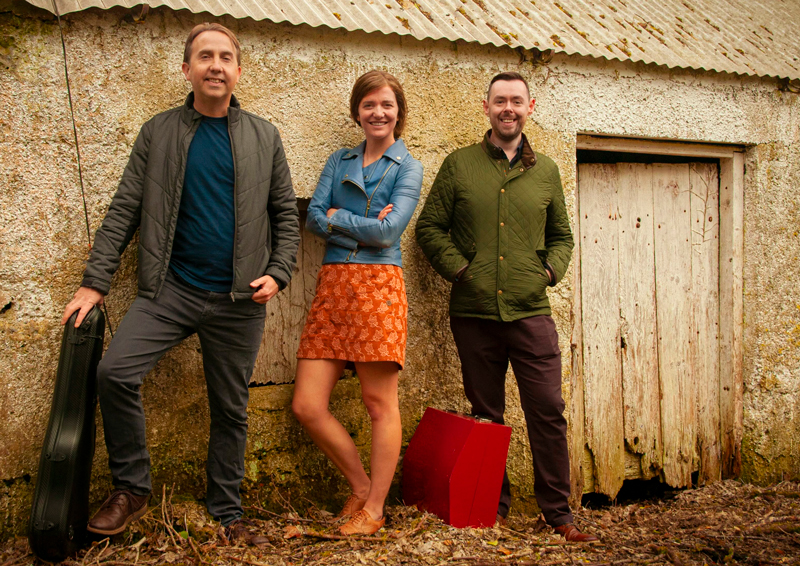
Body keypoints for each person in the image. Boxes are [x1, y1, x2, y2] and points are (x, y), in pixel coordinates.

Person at [61, 23, 299, 544]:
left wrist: (279, 272)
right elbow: (125, 209)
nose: (216, 65)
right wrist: (94, 282)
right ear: (186, 68)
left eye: (226, 57)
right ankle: (132, 488)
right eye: (205, 56)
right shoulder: (159, 131)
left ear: (238, 70)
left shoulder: (265, 135)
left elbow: (285, 215)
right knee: (116, 373)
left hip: (240, 301)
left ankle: (228, 511)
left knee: (231, 408)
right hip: (171, 291)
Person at [415, 72, 597, 542]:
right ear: (486, 107)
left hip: (530, 310)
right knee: (486, 414)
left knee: (548, 410)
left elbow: (562, 237)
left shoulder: (548, 172)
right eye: (500, 101)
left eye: (517, 101)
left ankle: (558, 512)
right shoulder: (459, 165)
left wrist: (550, 273)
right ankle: (492, 506)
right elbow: (430, 228)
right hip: (474, 313)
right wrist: (461, 270)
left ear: (530, 107)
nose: (508, 109)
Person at [291, 70, 423, 536]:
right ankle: (361, 485)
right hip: (333, 284)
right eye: (369, 105)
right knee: (307, 404)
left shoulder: (408, 167)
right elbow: (311, 217)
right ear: (357, 112)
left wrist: (337, 216)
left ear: (398, 113)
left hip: (378, 287)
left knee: (378, 403)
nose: (378, 113)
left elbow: (390, 232)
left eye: (386, 105)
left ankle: (376, 509)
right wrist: (360, 220)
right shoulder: (337, 159)